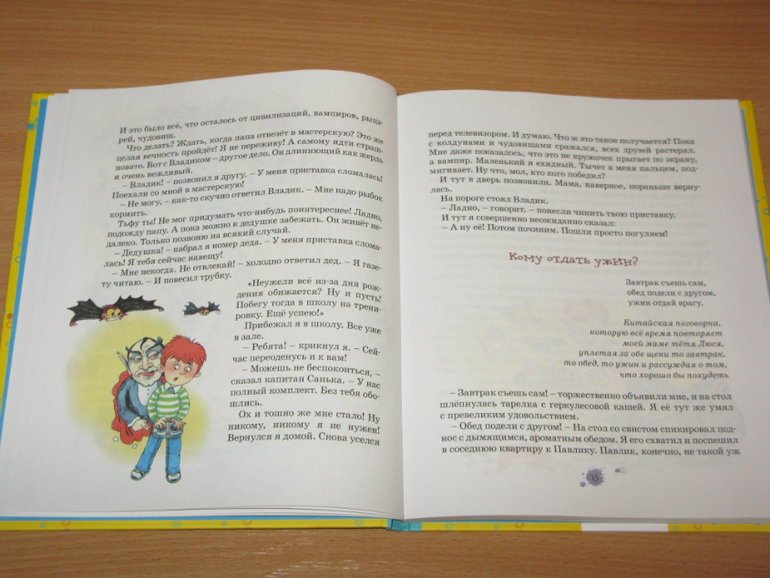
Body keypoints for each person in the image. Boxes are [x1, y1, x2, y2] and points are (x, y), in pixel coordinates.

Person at [131, 335, 206, 483]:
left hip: (174, 426)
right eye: (176, 366)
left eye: (188, 369)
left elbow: (184, 406)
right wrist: (156, 419)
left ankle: (173, 471)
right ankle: (141, 468)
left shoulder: (182, 393)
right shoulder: (159, 390)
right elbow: (152, 405)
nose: (181, 372)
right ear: (162, 367)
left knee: (174, 450)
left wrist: (178, 419)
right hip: (159, 424)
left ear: (195, 374)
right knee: (150, 448)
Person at [112, 337, 164, 445]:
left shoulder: (163, 388)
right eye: (137, 359)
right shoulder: (128, 386)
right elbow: (123, 408)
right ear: (128, 366)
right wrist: (134, 420)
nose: (145, 366)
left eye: (153, 356)